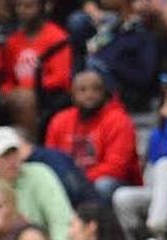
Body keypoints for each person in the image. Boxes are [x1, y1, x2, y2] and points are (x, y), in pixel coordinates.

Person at [44, 70, 143, 207]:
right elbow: (50, 159)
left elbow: (117, 168)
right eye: (82, 90)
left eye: (95, 89)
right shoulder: (59, 120)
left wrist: (77, 179)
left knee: (102, 185)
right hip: (71, 180)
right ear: (72, 95)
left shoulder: (119, 120)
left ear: (104, 93)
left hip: (116, 184)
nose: (89, 95)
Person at [111, 82, 167, 240]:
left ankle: (156, 230)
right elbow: (157, 154)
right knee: (122, 197)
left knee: (164, 164)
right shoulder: (157, 132)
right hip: (156, 191)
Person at [0, 126, 74, 240]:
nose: (12, 161)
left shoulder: (40, 174)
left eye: (14, 153)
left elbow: (60, 218)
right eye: (4, 156)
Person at [0, 0, 71, 136]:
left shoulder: (57, 37)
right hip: (19, 93)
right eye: (18, 6)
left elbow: (61, 78)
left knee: (24, 98)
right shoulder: (13, 41)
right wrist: (6, 91)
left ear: (42, 8)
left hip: (50, 93)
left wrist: (28, 88)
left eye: (28, 6)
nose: (22, 11)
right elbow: (8, 78)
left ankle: (31, 146)